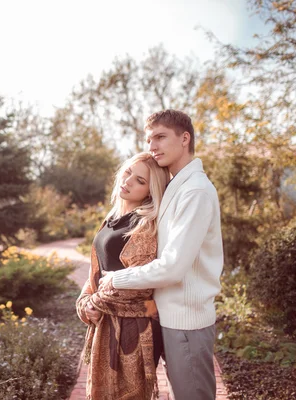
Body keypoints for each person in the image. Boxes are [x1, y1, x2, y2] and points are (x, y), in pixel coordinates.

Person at [99, 110, 223, 400]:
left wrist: (117, 279)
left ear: (184, 138)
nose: (152, 145)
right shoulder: (174, 188)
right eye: (148, 139)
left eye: (160, 137)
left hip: (186, 319)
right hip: (164, 317)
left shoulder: (195, 191)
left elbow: (173, 267)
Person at [76, 152, 170, 400]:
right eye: (128, 172)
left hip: (134, 329)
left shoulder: (145, 225)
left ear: (151, 191)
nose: (128, 181)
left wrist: (96, 302)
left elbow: (140, 285)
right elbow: (95, 272)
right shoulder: (112, 219)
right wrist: (84, 302)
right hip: (106, 324)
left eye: (140, 180)